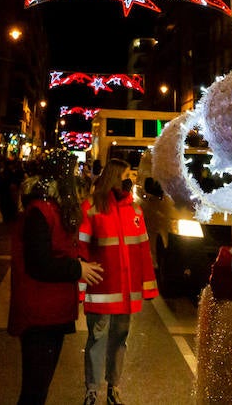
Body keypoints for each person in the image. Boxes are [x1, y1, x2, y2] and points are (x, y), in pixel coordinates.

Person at [9, 149, 103, 405]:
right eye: (73, 171)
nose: (78, 175)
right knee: (34, 389)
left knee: (40, 386)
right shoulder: (40, 210)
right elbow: (38, 263)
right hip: (39, 313)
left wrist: (78, 264)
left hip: (51, 311)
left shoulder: (52, 207)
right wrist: (77, 269)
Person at [79, 158, 157, 405]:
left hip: (126, 292)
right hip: (101, 288)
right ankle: (92, 391)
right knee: (97, 339)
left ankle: (113, 388)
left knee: (119, 340)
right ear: (114, 177)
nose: (131, 180)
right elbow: (81, 249)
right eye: (127, 175)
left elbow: (143, 251)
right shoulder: (91, 208)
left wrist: (148, 286)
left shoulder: (135, 211)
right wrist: (80, 288)